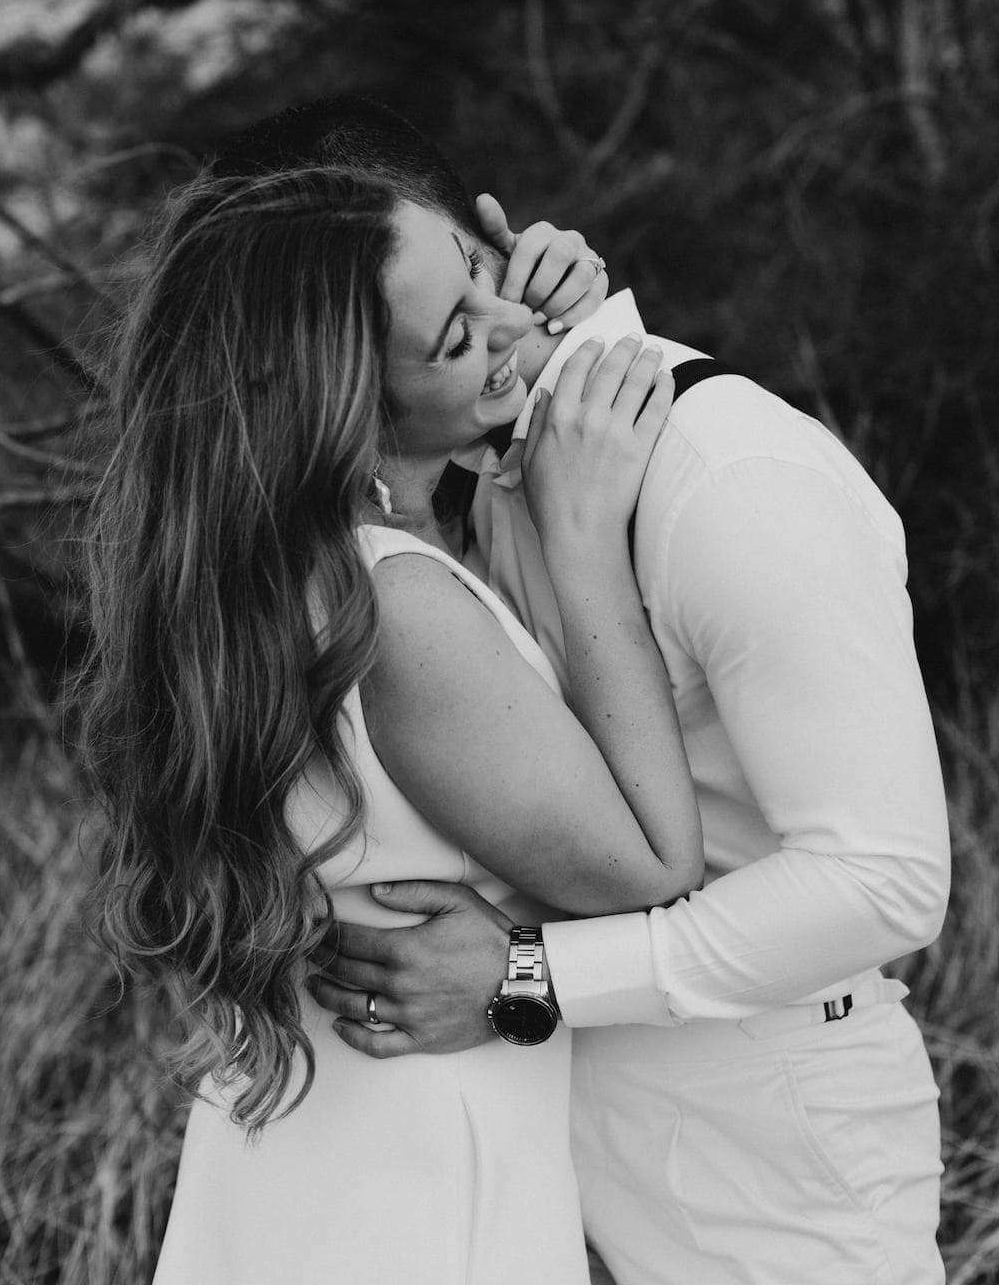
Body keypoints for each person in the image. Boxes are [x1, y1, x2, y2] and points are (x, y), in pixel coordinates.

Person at [306, 103, 952, 1282]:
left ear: (484, 235)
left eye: (473, 282)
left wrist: (523, 977)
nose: (489, 326)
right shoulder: (472, 474)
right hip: (558, 1130)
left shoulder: (731, 480)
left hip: (767, 1146)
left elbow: (885, 880)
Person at [80, 115, 705, 1285]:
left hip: (299, 1160)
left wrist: (522, 322)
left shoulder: (256, 575)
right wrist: (582, 543)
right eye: (460, 332)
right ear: (352, 402)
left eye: (478, 272)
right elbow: (654, 867)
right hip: (419, 1186)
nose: (510, 322)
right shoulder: (398, 608)